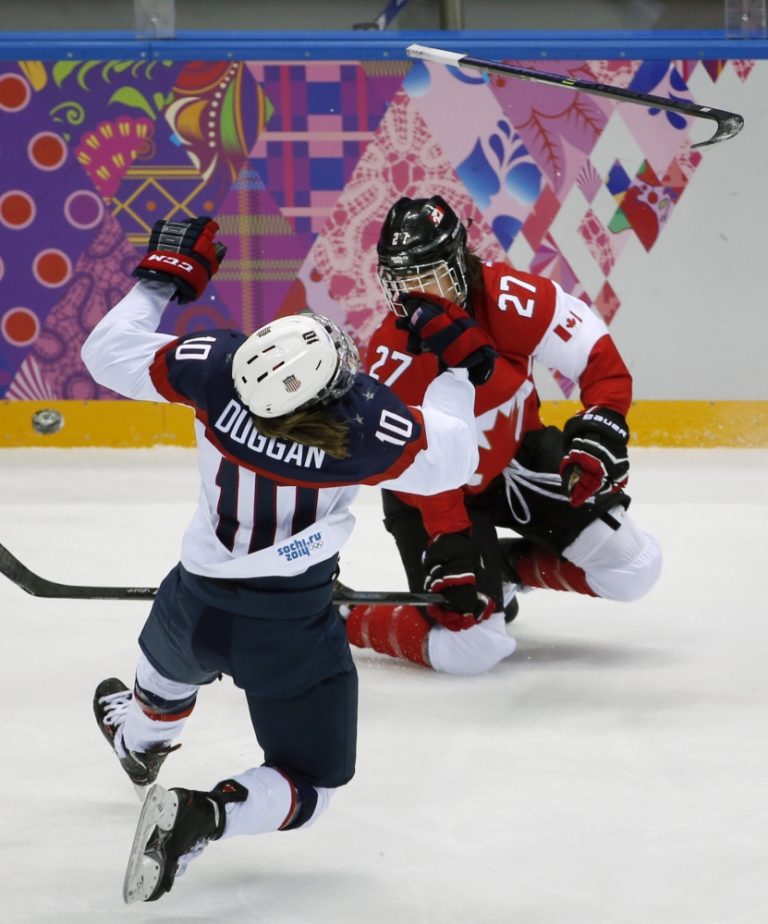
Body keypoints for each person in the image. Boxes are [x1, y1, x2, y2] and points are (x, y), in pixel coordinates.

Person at [81, 215, 491, 904]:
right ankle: (207, 813)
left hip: (194, 600)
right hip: (289, 627)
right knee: (313, 783)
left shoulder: (215, 370)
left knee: (167, 670)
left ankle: (141, 739)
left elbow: (107, 354)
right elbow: (454, 458)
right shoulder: (363, 428)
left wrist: (160, 282)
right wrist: (457, 370)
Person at [342, 195, 662, 676]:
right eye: (402, 279)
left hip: (517, 458)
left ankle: (505, 567)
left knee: (635, 567)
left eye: (428, 274)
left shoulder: (508, 297)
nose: (415, 292)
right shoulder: (392, 355)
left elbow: (593, 351)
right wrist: (450, 542)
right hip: (433, 497)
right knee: (471, 649)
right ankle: (343, 615)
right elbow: (423, 468)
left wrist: (602, 422)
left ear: (458, 262)